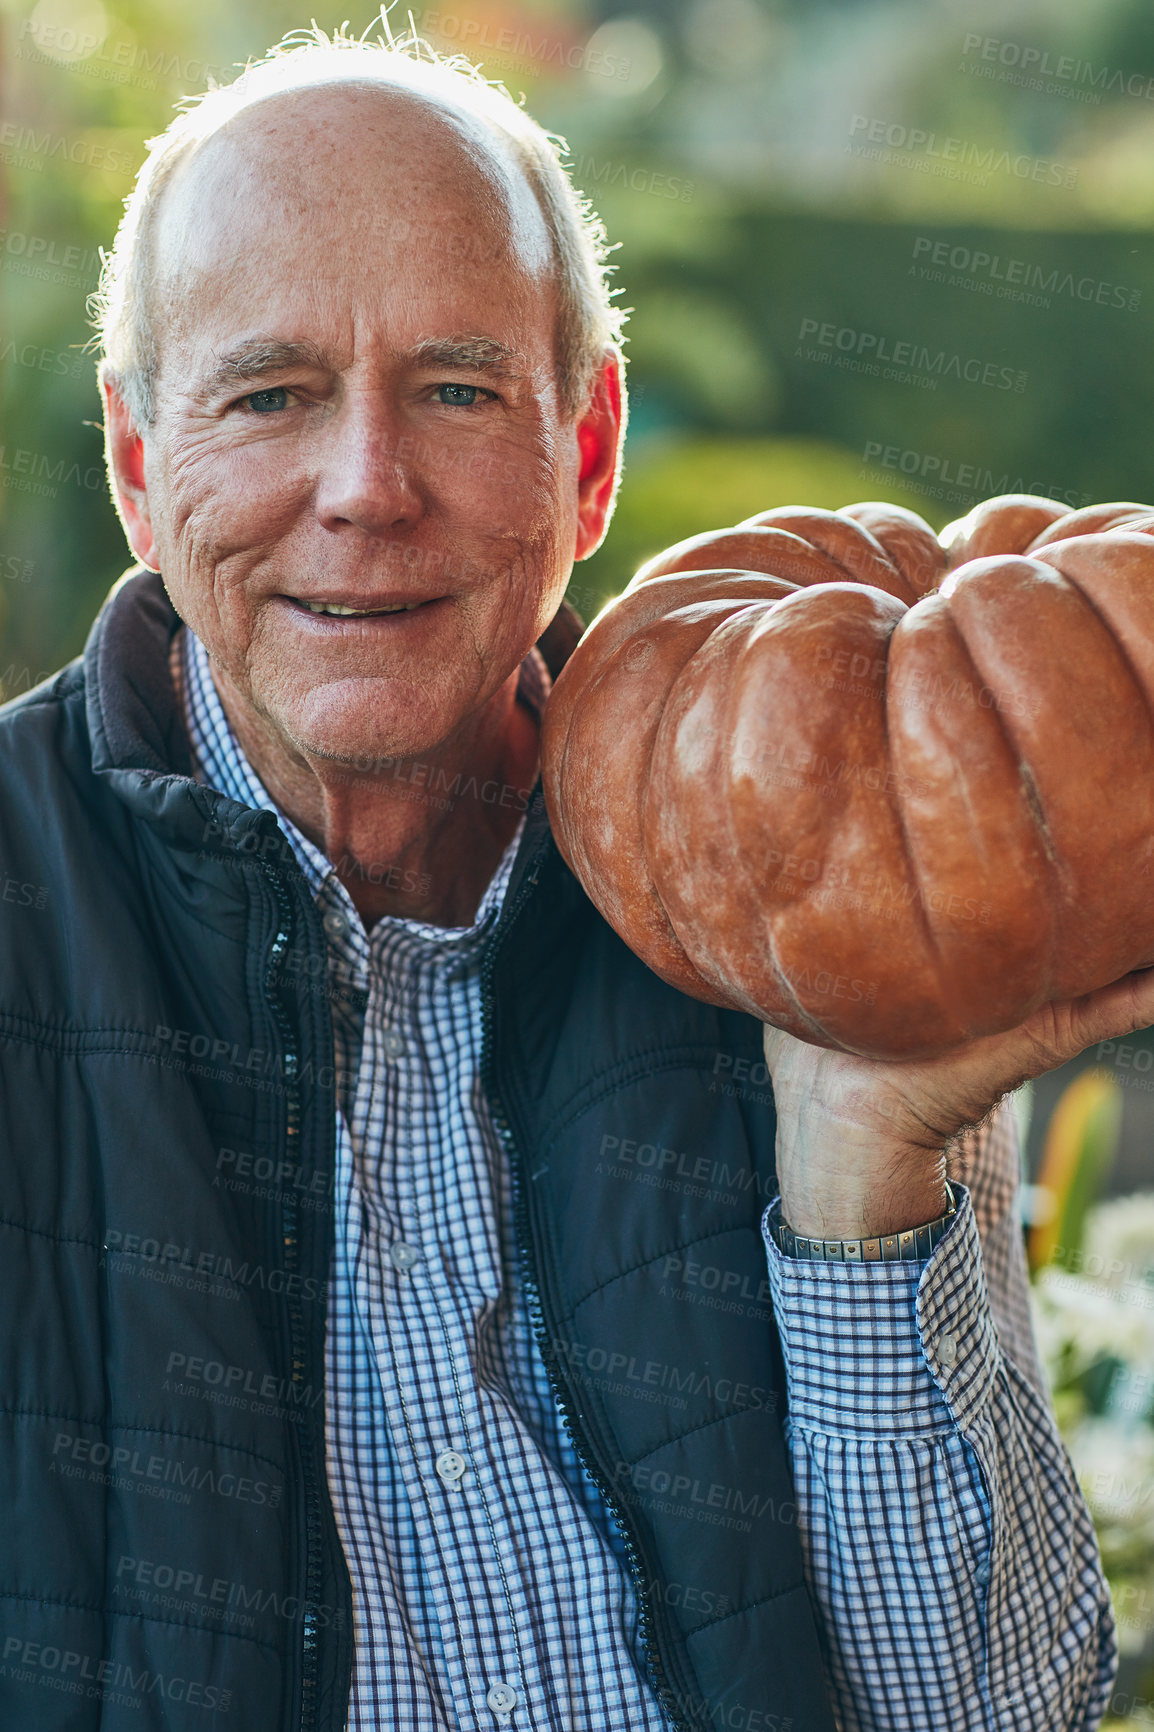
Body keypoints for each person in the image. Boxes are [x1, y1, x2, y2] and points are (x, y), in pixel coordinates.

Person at [0, 21, 1147, 1732]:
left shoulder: (786, 870)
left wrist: (861, 1166)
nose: (367, 487)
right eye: (271, 395)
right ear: (144, 468)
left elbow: (985, 1706)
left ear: (589, 455)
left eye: (458, 388)